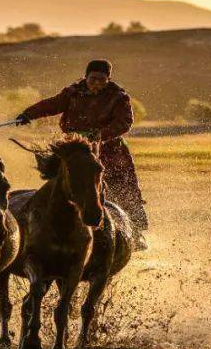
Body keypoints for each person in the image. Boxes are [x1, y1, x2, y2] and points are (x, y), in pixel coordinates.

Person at [16, 59, 149, 250]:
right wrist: (28, 114)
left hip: (110, 152)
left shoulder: (119, 98)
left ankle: (135, 233)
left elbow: (125, 122)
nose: (97, 83)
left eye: (102, 80)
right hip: (75, 149)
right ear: (86, 77)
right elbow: (52, 105)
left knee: (126, 188)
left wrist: (101, 135)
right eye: (93, 78)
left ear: (108, 79)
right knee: (59, 182)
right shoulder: (72, 93)